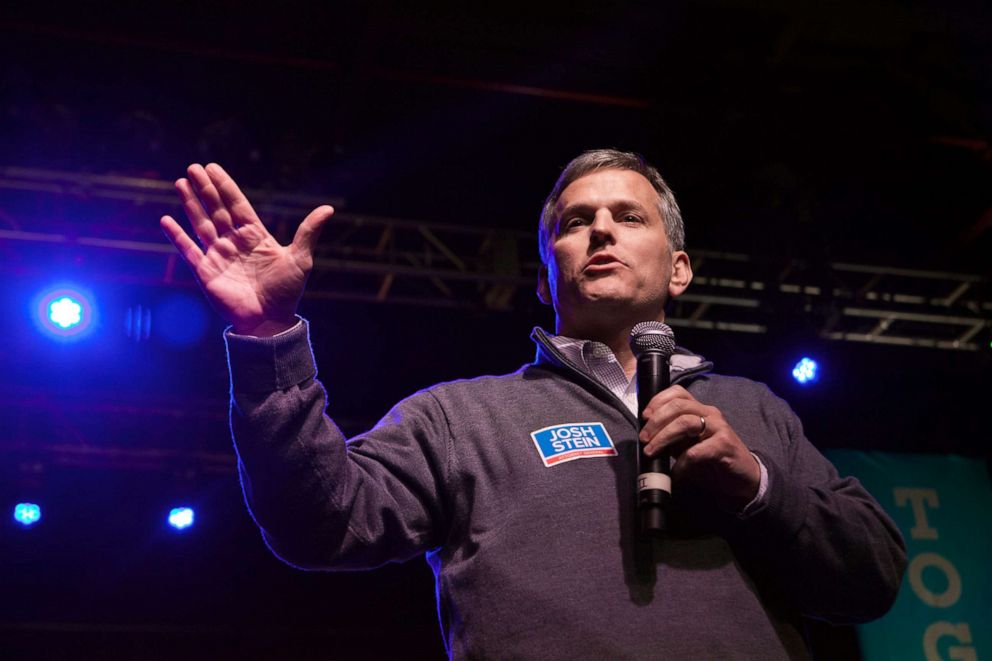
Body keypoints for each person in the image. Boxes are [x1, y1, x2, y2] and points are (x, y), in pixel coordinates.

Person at [160, 150, 906, 659]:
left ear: (679, 270)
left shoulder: (755, 410)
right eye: (575, 223)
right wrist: (267, 336)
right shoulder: (459, 419)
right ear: (548, 281)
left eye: (629, 216)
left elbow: (872, 575)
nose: (602, 230)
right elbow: (318, 522)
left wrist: (757, 486)